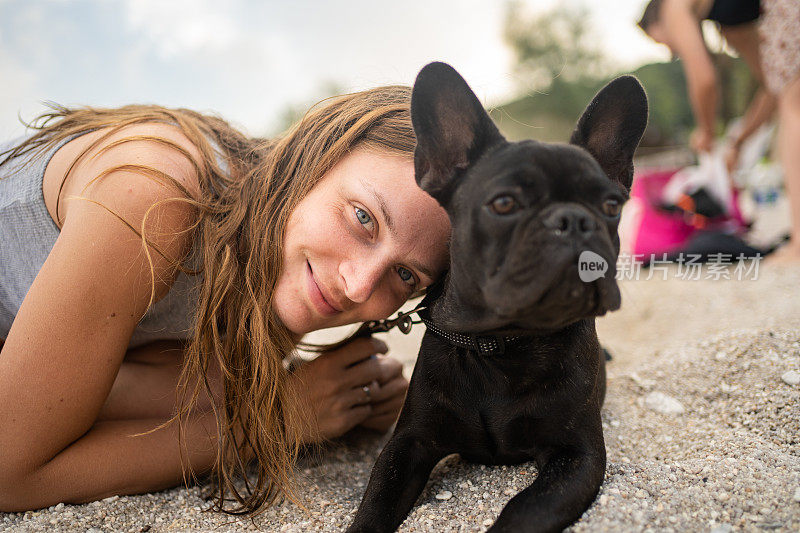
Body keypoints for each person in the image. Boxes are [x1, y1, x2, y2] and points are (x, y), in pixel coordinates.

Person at [0, 88, 451, 514]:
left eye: (405, 275)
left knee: (220, 382)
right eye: (362, 217)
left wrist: (347, 390)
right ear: (314, 157)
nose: (358, 287)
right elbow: (9, 472)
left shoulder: (267, 269)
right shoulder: (154, 196)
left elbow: (164, 387)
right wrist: (274, 421)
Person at [638, 0, 800, 262]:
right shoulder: (730, 25)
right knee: (792, 96)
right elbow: (773, 86)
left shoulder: (672, 7)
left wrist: (706, 133)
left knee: (795, 106)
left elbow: (705, 81)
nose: (670, 51)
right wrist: (738, 141)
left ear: (657, 18)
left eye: (660, 41)